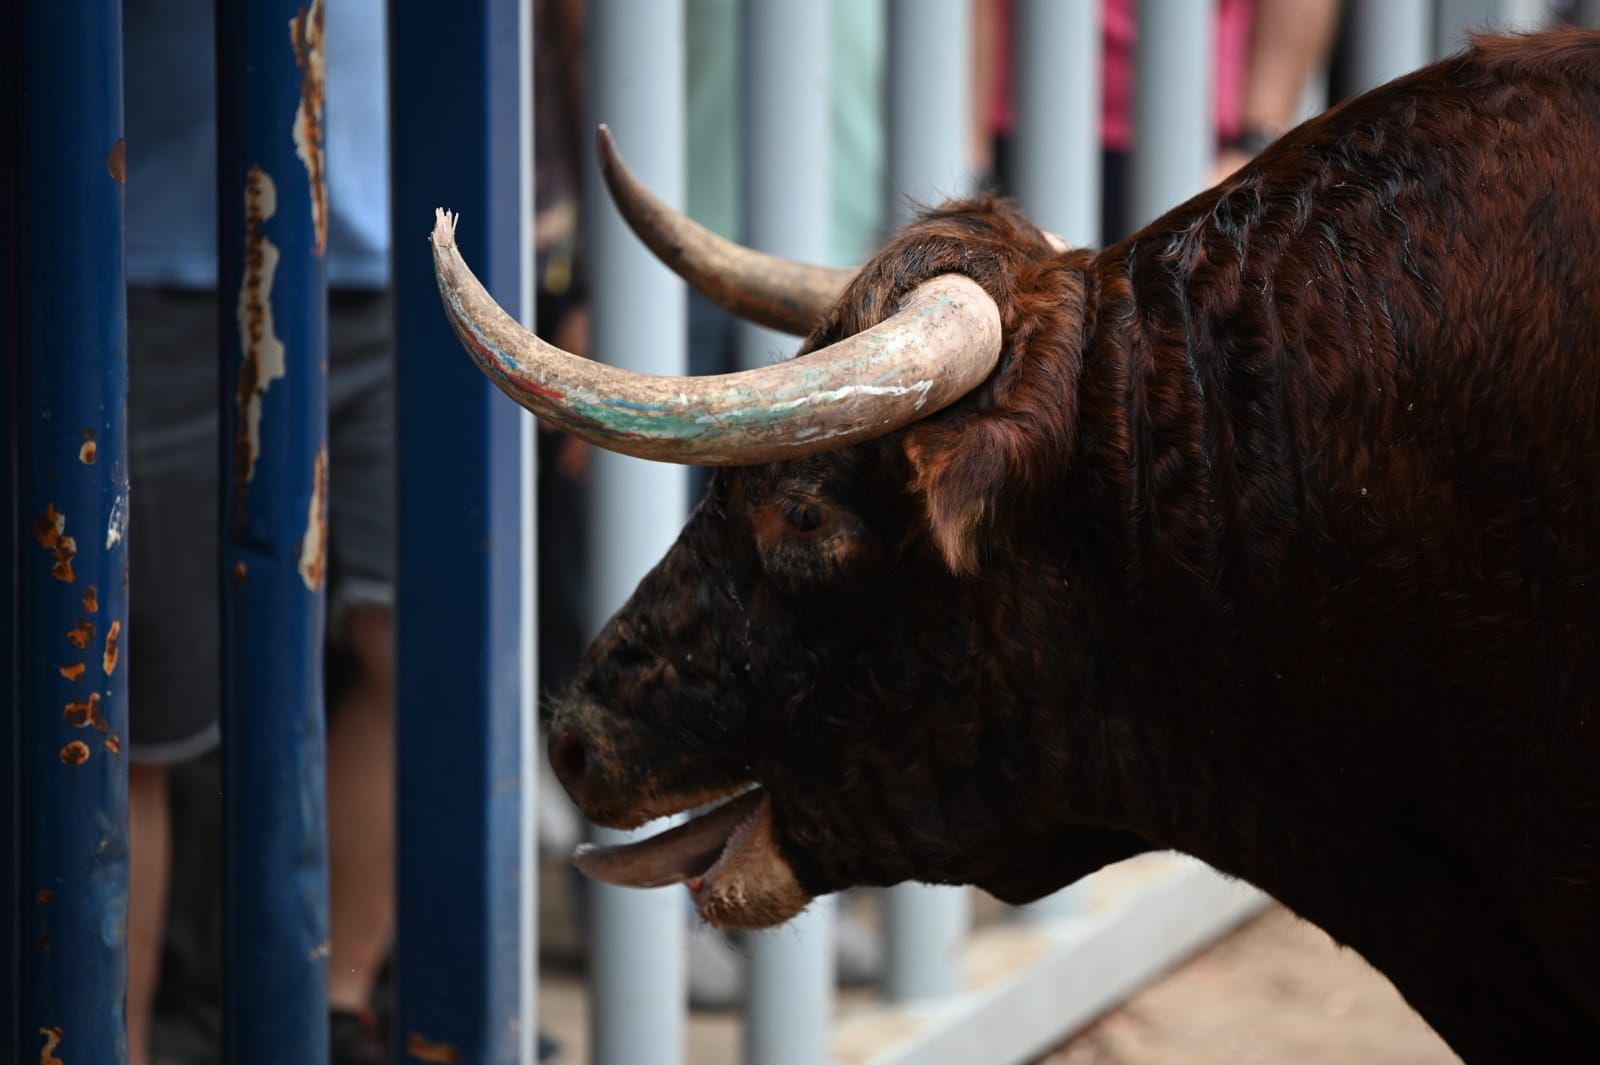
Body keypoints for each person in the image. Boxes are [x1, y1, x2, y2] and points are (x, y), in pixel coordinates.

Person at [124, 1, 397, 1061]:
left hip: (382, 258)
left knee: (406, 637)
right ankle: (119, 1035)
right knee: (138, 706)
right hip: (170, 259)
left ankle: (341, 1002)